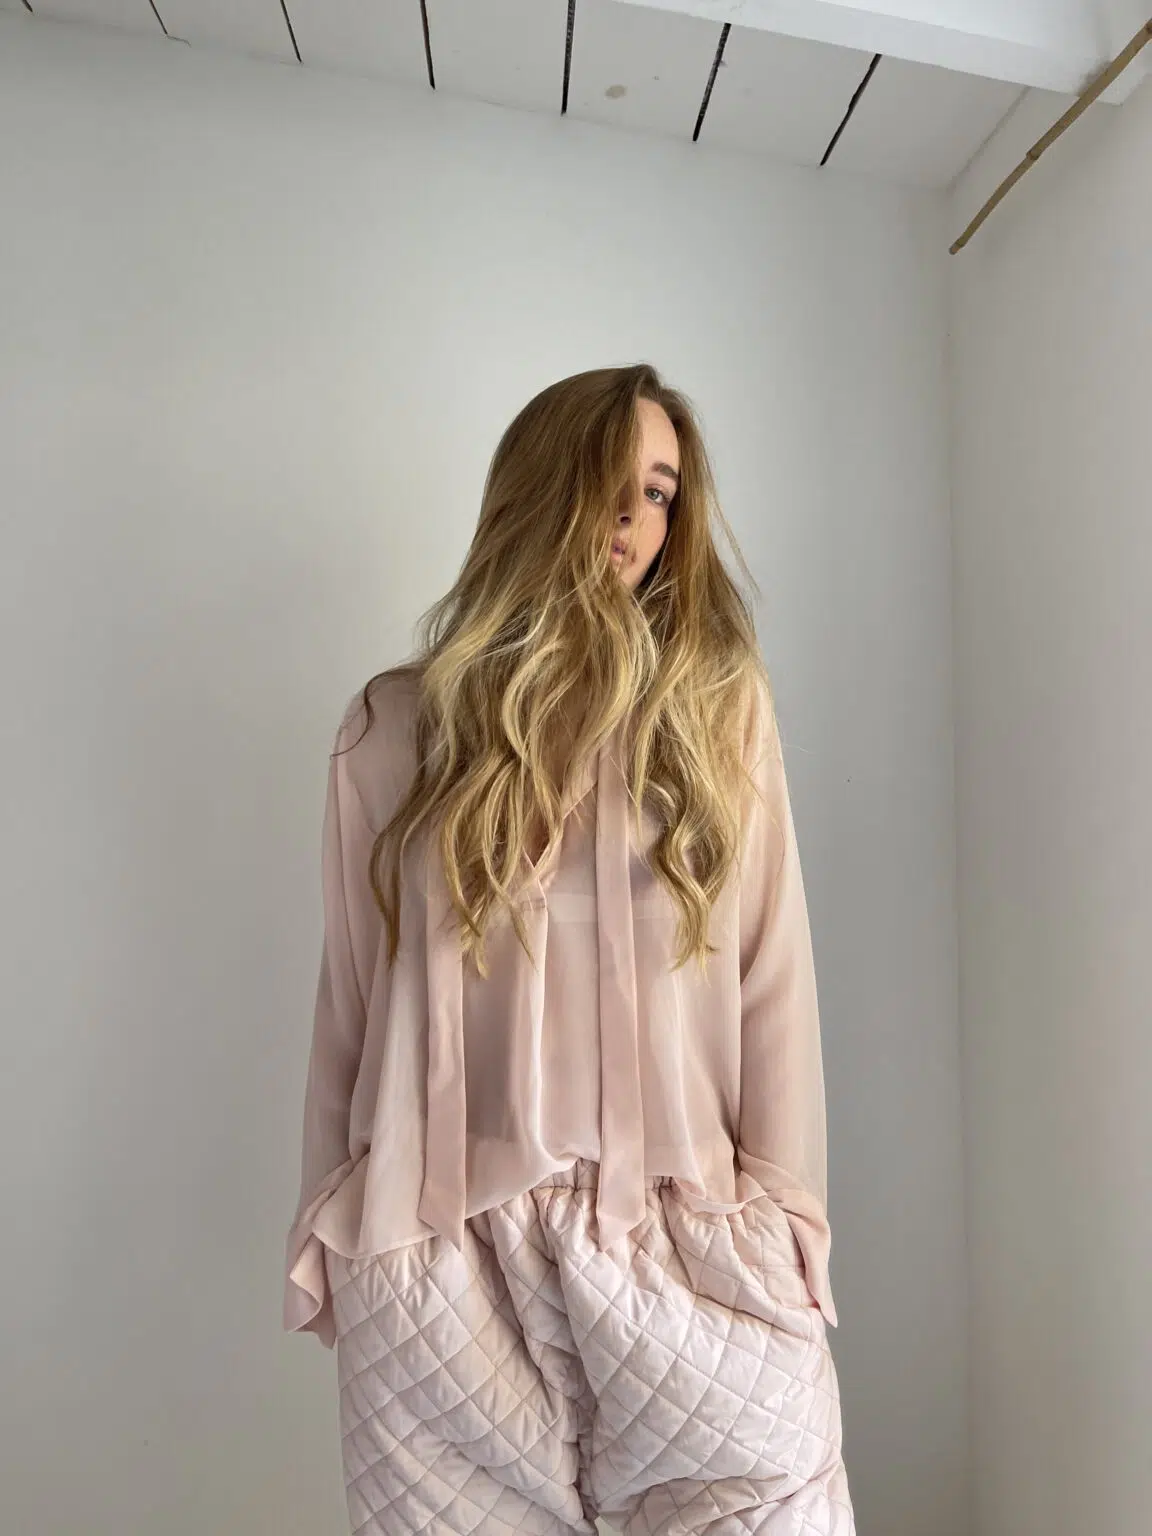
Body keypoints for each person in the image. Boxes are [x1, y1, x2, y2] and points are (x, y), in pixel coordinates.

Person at [284, 363, 855, 1535]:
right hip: (441, 1268)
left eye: (662, 493)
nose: (636, 519)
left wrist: (789, 1215)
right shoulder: (392, 729)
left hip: (690, 1249)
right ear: (542, 488)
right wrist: (334, 1215)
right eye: (613, 482)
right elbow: (351, 1001)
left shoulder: (718, 712)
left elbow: (774, 981)